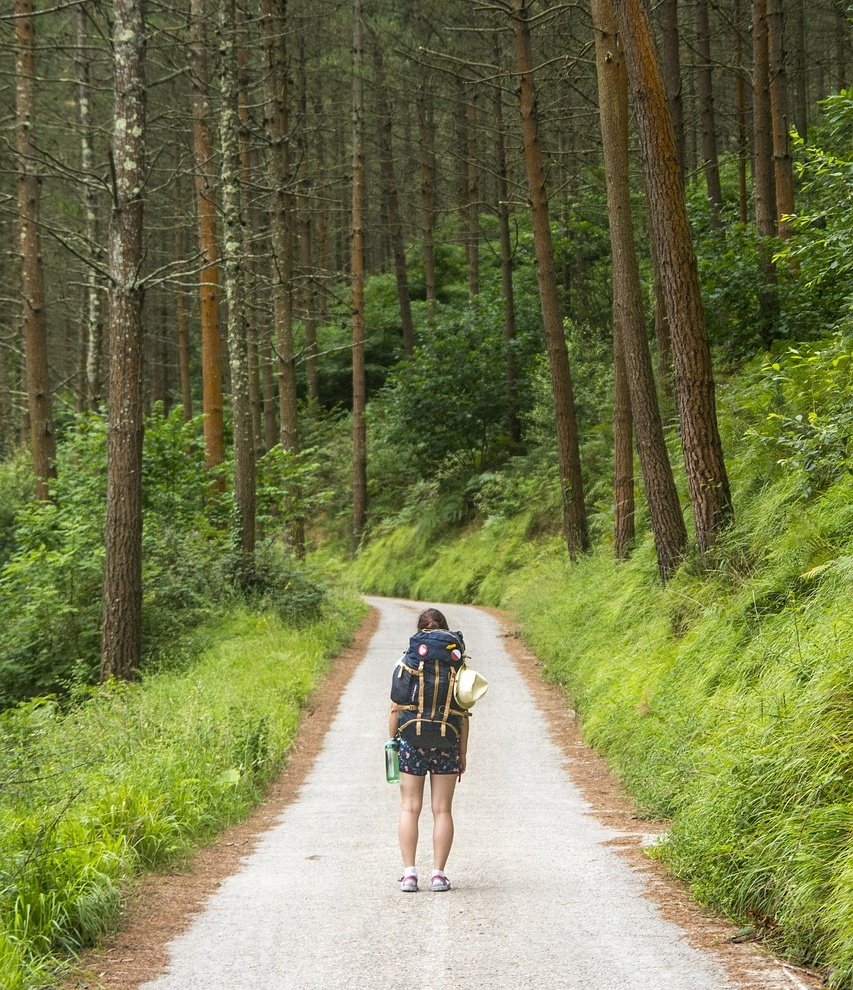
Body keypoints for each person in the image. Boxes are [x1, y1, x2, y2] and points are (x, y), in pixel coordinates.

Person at [388, 607, 469, 893]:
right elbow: (462, 713)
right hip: (448, 740)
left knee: (410, 807)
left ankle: (409, 874)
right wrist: (462, 753)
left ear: (419, 631)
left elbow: (396, 708)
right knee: (442, 810)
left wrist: (393, 743)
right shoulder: (456, 665)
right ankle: (438, 875)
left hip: (412, 740)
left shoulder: (407, 661)